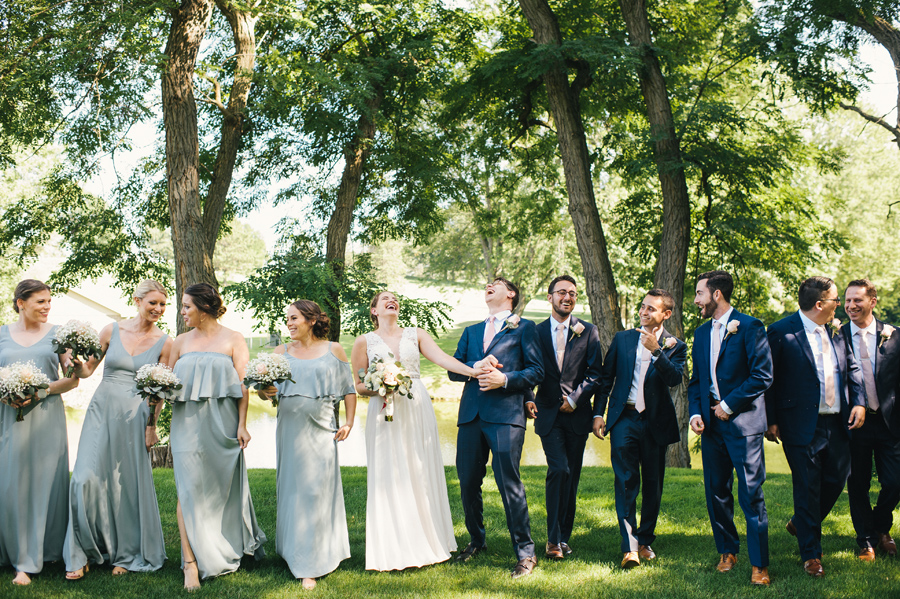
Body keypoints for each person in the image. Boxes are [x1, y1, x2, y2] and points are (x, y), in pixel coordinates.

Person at [350, 291, 478, 572]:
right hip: (383, 409)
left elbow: (443, 359)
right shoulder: (363, 341)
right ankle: (392, 546)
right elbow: (358, 386)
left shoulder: (415, 334)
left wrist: (474, 372)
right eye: (384, 299)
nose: (390, 301)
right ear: (374, 311)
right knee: (387, 470)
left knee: (419, 468)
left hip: (416, 405)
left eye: (394, 298)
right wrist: (382, 384)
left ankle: (427, 539)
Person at [64, 280, 171, 579]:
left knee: (124, 485)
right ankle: (81, 552)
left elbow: (158, 392)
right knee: (83, 478)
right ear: (137, 300)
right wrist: (74, 362)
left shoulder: (166, 342)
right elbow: (86, 371)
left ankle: (124, 554)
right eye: (153, 303)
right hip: (102, 410)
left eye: (163, 305)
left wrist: (152, 426)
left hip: (134, 415)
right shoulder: (111, 330)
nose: (158, 310)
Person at [167, 283, 266, 590]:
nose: (183, 312)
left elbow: (242, 385)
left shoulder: (234, 339)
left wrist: (242, 425)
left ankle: (224, 545)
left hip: (223, 423)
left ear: (204, 308)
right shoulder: (179, 342)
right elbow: (164, 382)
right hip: (186, 424)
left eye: (187, 307)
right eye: (182, 307)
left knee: (221, 489)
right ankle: (190, 563)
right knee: (188, 488)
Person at [766, 276, 865, 578]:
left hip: (837, 421)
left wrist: (859, 402)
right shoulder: (781, 332)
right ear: (820, 304)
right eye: (837, 300)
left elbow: (853, 369)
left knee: (837, 479)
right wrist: (770, 420)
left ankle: (801, 522)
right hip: (799, 424)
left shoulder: (837, 331)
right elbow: (768, 379)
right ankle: (811, 555)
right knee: (807, 487)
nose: (841, 305)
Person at [449, 278, 544, 579]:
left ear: (511, 294)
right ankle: (477, 541)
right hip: (471, 416)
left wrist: (504, 380)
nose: (489, 286)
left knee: (508, 483)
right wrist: (476, 365)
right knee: (466, 482)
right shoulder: (471, 331)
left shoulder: (525, 327)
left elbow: (536, 370)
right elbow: (454, 370)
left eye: (497, 284)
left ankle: (526, 553)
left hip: (506, 414)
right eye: (487, 284)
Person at [258, 300, 356, 590]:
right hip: (289, 427)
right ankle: (296, 556)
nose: (289, 323)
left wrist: (348, 422)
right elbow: (266, 394)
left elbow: (348, 389)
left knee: (316, 490)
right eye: (287, 318)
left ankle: (317, 558)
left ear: (311, 320)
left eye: (294, 318)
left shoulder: (333, 349)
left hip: (323, 427)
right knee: (293, 489)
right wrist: (265, 391)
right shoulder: (280, 353)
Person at [687, 270, 773, 586]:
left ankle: (760, 564)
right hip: (711, 428)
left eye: (699, 293)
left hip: (744, 425)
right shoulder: (700, 333)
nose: (696, 300)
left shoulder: (750, 327)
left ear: (717, 294)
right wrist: (696, 412)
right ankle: (727, 550)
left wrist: (728, 405)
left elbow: (762, 375)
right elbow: (697, 382)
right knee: (716, 491)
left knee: (751, 494)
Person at [593, 289, 686, 570]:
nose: (644, 312)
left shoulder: (675, 346)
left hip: (656, 422)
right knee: (625, 481)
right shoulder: (623, 339)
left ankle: (645, 540)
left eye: (651, 309)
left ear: (666, 314)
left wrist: (656, 351)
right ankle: (629, 547)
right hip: (625, 418)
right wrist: (599, 413)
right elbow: (605, 379)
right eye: (643, 307)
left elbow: (674, 380)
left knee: (653, 484)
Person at [0, 279, 79, 585]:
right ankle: (11, 550)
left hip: (46, 418)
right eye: (40, 302)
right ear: (21, 303)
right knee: (10, 485)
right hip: (8, 417)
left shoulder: (59, 335)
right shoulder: (2, 335)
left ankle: (31, 559)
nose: (47, 307)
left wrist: (40, 390)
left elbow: (73, 380)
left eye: (49, 302)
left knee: (43, 484)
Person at [525, 275, 602, 560]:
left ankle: (564, 537)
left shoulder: (588, 331)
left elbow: (596, 374)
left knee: (572, 476)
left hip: (577, 415)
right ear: (550, 297)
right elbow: (527, 368)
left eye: (572, 293)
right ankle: (553, 540)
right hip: (547, 413)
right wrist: (528, 398)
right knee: (559, 470)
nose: (567, 297)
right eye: (561, 292)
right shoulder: (535, 331)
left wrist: (575, 398)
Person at [841, 279, 900, 561]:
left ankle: (880, 525)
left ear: (873, 301)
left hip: (890, 422)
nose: (851, 305)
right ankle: (866, 540)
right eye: (847, 300)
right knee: (858, 484)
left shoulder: (894, 335)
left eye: (858, 300)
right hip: (855, 423)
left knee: (895, 481)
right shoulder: (836, 336)